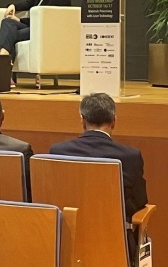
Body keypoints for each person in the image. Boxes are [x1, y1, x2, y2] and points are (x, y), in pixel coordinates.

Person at [49, 93, 148, 258]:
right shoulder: (130, 156)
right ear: (114, 121)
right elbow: (140, 200)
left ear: (82, 120)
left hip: (67, 244)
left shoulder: (58, 151)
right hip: (115, 247)